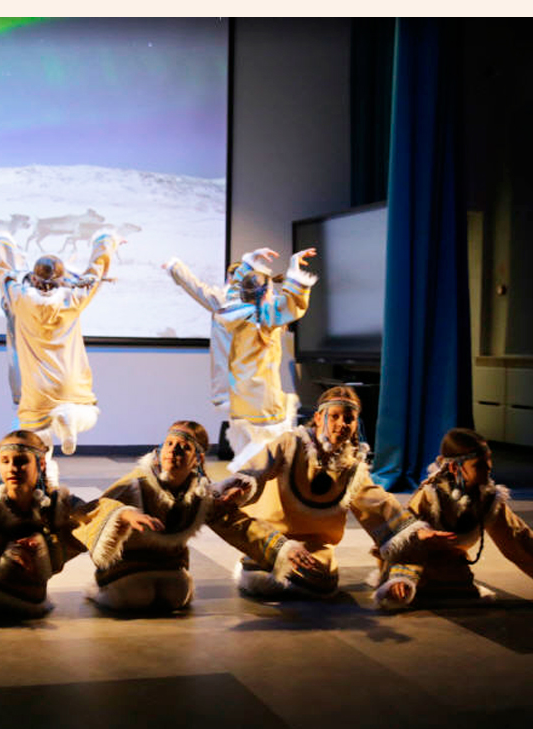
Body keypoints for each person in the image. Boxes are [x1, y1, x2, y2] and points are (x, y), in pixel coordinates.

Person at [0, 431, 160, 617]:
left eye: (20, 461)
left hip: (30, 595)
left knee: (79, 525)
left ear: (40, 464)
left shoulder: (58, 503)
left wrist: (122, 515)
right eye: (5, 461)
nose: (12, 468)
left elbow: (90, 513)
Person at [80, 420, 312, 611]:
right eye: (169, 444)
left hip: (169, 565)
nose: (173, 450)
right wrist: (124, 515)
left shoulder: (200, 495)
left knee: (176, 596)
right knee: (135, 596)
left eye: (184, 447)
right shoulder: (135, 485)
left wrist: (283, 549)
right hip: (125, 564)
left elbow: (238, 526)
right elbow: (93, 512)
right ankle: (101, 588)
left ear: (197, 459)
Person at [214, 386, 418, 599]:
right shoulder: (290, 443)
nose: (342, 424)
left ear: (356, 424)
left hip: (314, 546)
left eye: (349, 419)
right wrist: (239, 486)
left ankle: (286, 570)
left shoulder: (351, 467)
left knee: (324, 579)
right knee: (222, 515)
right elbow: (258, 467)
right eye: (335, 416)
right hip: (272, 536)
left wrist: (412, 530)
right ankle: (267, 558)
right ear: (319, 418)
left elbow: (376, 503)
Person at [372, 428, 533, 610]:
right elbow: (405, 540)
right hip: (418, 566)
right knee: (409, 584)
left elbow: (519, 540)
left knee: (460, 586)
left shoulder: (487, 499)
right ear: (455, 468)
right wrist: (401, 579)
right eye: (480, 464)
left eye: (489, 460)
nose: (489, 467)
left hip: (454, 570)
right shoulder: (429, 496)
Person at [0, 226, 122, 485]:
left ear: (34, 279)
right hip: (69, 381)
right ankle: (69, 418)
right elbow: (94, 272)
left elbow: (4, 273)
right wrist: (106, 242)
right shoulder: (73, 298)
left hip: (36, 387)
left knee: (37, 435)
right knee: (89, 415)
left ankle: (46, 480)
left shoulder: (19, 298)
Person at [162, 247, 317, 470]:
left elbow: (223, 291)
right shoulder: (268, 316)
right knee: (269, 457)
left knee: (249, 454)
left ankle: (247, 476)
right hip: (262, 398)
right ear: (266, 293)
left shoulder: (229, 308)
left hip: (239, 395)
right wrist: (294, 268)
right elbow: (294, 303)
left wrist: (176, 267)